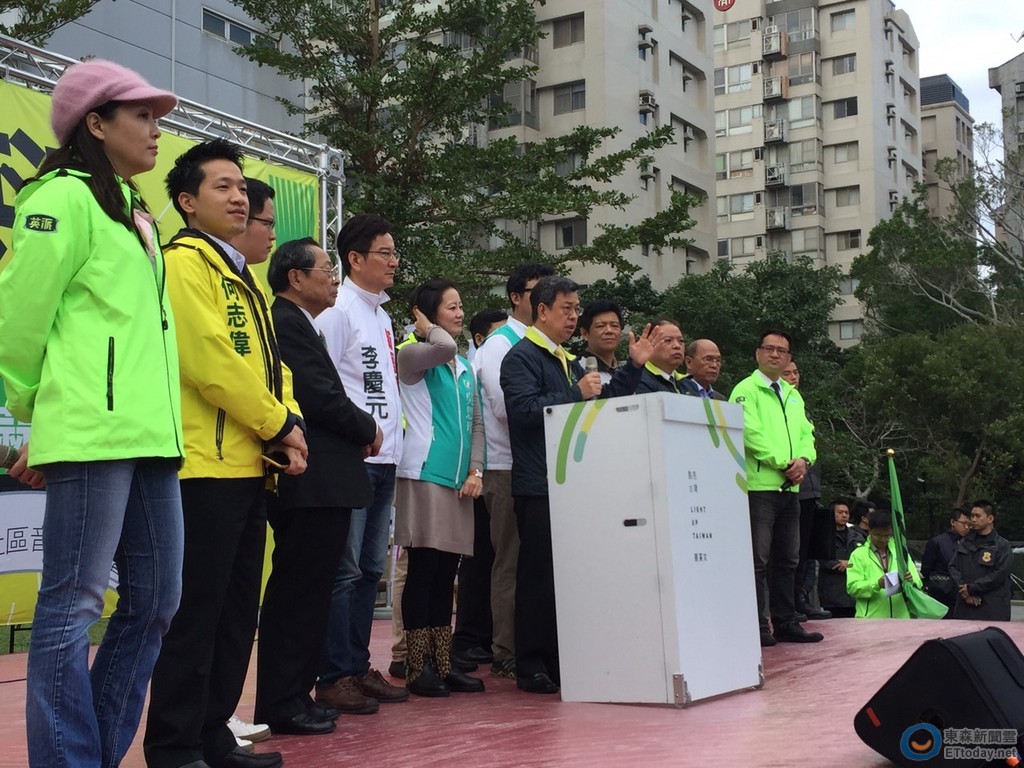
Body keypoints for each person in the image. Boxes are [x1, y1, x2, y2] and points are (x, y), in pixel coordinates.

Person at [0, 59, 182, 768]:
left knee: (157, 601)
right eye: (141, 115)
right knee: (72, 604)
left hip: (151, 437)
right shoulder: (61, 198)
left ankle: (94, 755)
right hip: (91, 432)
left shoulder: (133, 212)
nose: (155, 129)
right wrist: (35, 410)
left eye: (156, 117)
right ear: (96, 124)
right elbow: (19, 316)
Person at [144, 139, 308, 768]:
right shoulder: (184, 263)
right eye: (222, 187)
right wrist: (278, 423)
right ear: (187, 202)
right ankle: (174, 744)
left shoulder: (242, 275)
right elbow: (208, 361)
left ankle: (213, 733)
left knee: (237, 614)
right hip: (202, 468)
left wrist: (288, 421)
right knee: (196, 614)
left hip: (248, 467)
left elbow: (272, 366)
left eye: (242, 187)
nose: (239, 197)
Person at [501, 275, 662, 693]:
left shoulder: (567, 359)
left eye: (576, 309)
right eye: (567, 309)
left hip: (574, 485)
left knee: (569, 577)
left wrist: (634, 367)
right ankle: (531, 664)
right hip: (539, 484)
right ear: (542, 311)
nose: (574, 316)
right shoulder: (521, 357)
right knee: (537, 578)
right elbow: (523, 412)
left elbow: (602, 407)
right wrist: (574, 394)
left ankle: (560, 658)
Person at [254, 239, 382, 735]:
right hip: (310, 481)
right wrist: (367, 427)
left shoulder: (300, 323)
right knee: (299, 593)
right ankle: (282, 701)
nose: (333, 279)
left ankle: (295, 696)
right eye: (326, 270)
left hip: (323, 479)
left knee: (310, 593)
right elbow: (319, 397)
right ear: (295, 278)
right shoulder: (285, 323)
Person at [315, 214, 409, 713]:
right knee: (345, 570)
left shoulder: (383, 317)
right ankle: (333, 675)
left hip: (386, 458)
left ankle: (356, 666)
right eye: (384, 253)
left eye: (395, 253)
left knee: (371, 569)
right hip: (353, 457)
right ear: (354, 259)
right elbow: (322, 383)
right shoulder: (338, 311)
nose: (394, 262)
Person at [395, 279, 486, 696]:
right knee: (424, 571)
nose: (460, 313)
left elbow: (477, 422)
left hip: (459, 481)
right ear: (427, 313)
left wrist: (476, 470)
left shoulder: (464, 367)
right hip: (425, 474)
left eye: (461, 306)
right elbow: (444, 346)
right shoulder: (412, 355)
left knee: (446, 573)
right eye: (451, 307)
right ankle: (417, 668)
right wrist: (426, 327)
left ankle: (442, 663)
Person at [469, 263, 555, 680]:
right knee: (511, 561)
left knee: (532, 563)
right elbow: (509, 412)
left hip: (537, 466)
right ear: (517, 298)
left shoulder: (543, 345)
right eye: (539, 291)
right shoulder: (501, 345)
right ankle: (507, 650)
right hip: (504, 466)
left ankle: (531, 646)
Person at [729, 330, 822, 646]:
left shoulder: (793, 395)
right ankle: (756, 626)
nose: (775, 354)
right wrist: (784, 462)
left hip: (791, 488)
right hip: (759, 487)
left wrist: (804, 461)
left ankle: (786, 622)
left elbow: (807, 434)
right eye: (769, 349)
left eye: (782, 350)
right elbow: (749, 434)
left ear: (789, 357)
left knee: (787, 559)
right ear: (757, 353)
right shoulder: (745, 390)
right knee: (757, 560)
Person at [451, 309, 508, 671]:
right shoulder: (475, 364)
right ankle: (468, 639)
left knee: (488, 557)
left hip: (483, 468)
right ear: (479, 339)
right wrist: (476, 469)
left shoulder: (466, 367)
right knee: (477, 559)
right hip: (479, 471)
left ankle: (479, 638)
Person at [781, 359, 830, 622]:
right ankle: (788, 603)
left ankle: (801, 597)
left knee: (807, 550)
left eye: (796, 372)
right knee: (790, 551)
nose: (793, 377)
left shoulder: (800, 406)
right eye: (787, 373)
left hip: (809, 488)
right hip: (788, 488)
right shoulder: (777, 406)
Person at [846, 509, 921, 618]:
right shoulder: (858, 555)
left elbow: (918, 582)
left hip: (901, 618)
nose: (883, 539)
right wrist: (877, 585)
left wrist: (910, 580)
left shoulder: (900, 552)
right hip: (870, 620)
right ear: (869, 530)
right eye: (878, 535)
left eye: (887, 535)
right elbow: (852, 588)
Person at [949, 500, 1013, 621]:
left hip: (992, 607)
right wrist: (964, 590)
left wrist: (972, 588)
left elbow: (1000, 574)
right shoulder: (965, 542)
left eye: (978, 516)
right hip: (965, 607)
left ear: (990, 519)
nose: (973, 520)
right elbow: (953, 566)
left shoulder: (1001, 546)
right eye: (972, 516)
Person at [816, 499, 864, 618]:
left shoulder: (857, 536)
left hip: (854, 594)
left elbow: (864, 558)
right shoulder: (823, 535)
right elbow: (822, 560)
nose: (844, 515)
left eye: (846, 513)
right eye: (840, 512)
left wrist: (850, 563)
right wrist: (838, 564)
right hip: (832, 593)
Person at [920, 508, 971, 614]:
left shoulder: (970, 543)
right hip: (941, 595)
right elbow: (926, 568)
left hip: (963, 595)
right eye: (964, 523)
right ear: (953, 522)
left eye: (969, 525)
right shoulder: (937, 542)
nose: (967, 527)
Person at [635, 318, 687, 394]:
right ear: (649, 344)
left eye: (681, 341)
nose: (677, 346)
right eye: (668, 340)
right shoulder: (638, 380)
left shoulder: (690, 384)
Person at [578, 300, 624, 384]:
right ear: (585, 333)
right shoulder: (576, 370)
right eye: (601, 326)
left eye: (614, 325)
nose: (609, 331)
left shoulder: (624, 373)